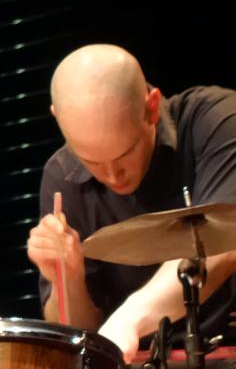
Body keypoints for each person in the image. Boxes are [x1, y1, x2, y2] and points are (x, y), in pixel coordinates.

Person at [27, 43, 236, 361]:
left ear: (151, 107)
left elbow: (224, 245)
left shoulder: (217, 119)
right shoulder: (61, 176)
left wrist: (128, 320)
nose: (113, 176)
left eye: (124, 154)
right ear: (58, 119)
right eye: (91, 161)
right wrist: (67, 277)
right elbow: (81, 334)